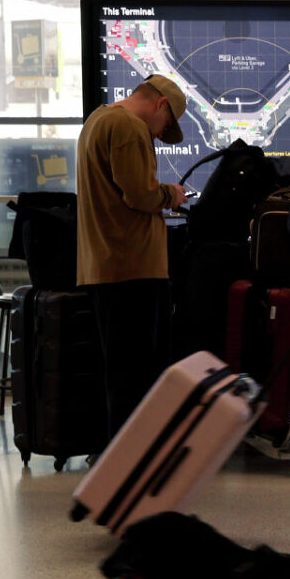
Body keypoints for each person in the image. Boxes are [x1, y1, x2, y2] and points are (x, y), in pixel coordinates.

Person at [75, 73, 188, 440]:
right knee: (138, 375)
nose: (159, 134)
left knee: (120, 373)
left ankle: (118, 460)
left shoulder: (97, 119)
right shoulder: (129, 126)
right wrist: (172, 194)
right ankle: (130, 463)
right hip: (132, 268)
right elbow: (139, 195)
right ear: (159, 104)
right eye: (165, 125)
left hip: (106, 266)